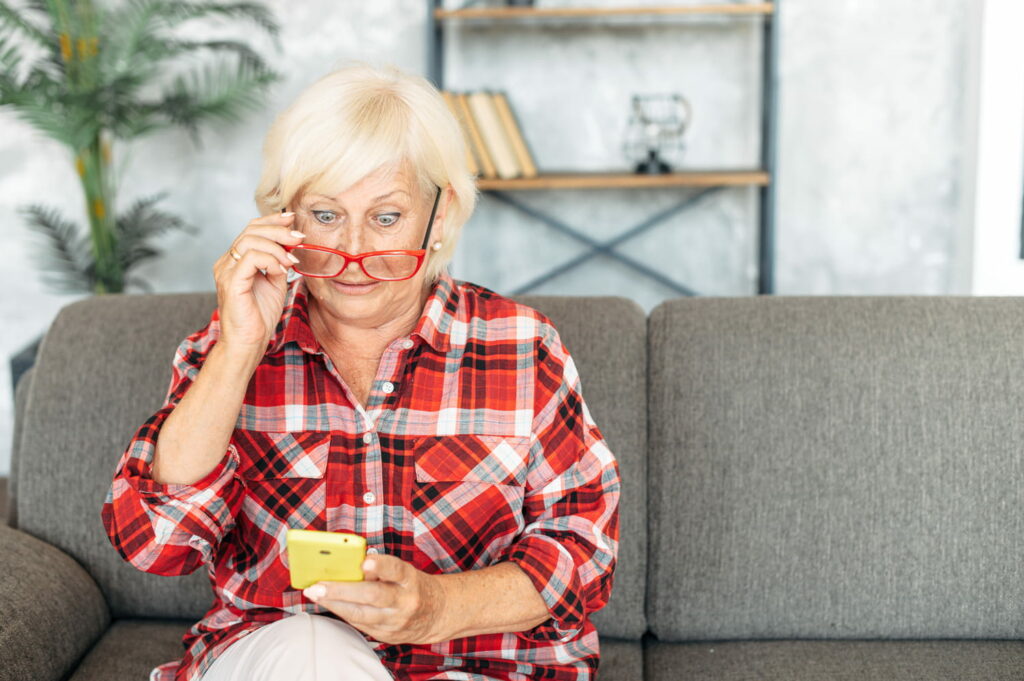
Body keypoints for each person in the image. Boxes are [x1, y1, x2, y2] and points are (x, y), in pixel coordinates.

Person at [100, 61, 620, 681]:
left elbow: (583, 552)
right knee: (310, 654)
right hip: (289, 658)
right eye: (324, 216)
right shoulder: (227, 348)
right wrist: (239, 349)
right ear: (282, 218)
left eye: (386, 217)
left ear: (440, 214)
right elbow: (156, 543)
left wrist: (436, 608)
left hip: (482, 665)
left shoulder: (523, 344)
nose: (353, 254)